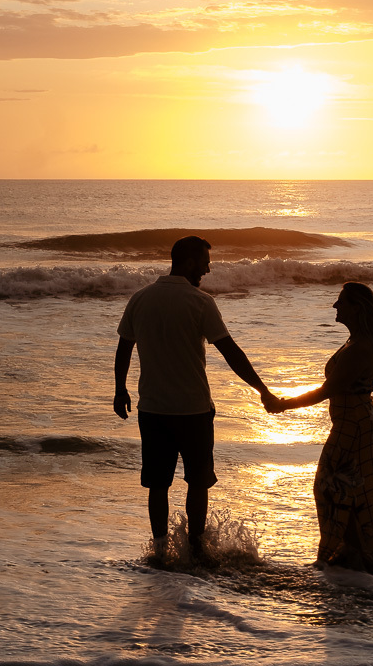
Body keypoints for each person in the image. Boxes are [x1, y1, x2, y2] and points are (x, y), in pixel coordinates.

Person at [114, 235, 277, 564]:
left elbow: (123, 348)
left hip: (153, 408)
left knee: (157, 484)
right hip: (193, 410)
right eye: (203, 262)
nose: (207, 268)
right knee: (198, 482)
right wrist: (262, 390)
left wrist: (120, 389)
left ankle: (159, 552)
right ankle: (198, 549)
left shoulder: (140, 298)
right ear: (187, 262)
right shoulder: (199, 301)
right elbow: (230, 351)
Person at [265, 282, 373, 572]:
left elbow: (329, 389)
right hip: (357, 421)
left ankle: (348, 554)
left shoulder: (361, 347)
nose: (335, 307)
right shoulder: (358, 342)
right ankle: (355, 554)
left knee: (329, 486)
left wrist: (284, 404)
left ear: (357, 308)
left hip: (354, 424)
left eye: (341, 302)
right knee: (356, 490)